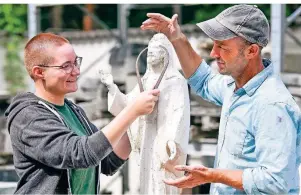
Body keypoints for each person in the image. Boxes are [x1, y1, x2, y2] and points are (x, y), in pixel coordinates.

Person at [141, 4, 301, 194]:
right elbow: (204, 80)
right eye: (214, 44)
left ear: (251, 51)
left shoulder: (272, 106)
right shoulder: (235, 87)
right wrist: (176, 38)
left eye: (222, 47)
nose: (213, 53)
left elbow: (275, 181)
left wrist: (213, 176)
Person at [4, 33, 160, 194]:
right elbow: (80, 154)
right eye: (66, 66)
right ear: (39, 72)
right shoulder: (27, 116)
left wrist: (138, 119)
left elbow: (108, 161)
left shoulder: (73, 110)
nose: (76, 71)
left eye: (76, 62)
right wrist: (131, 112)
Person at [100, 33, 190, 194]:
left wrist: (171, 140)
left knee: (163, 180)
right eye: (149, 52)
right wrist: (112, 88)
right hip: (147, 136)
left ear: (165, 53)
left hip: (164, 139)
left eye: (155, 52)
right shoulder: (146, 80)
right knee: (147, 179)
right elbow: (128, 106)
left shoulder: (175, 81)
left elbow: (178, 114)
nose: (151, 55)